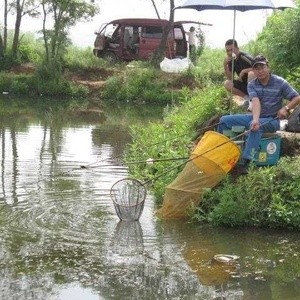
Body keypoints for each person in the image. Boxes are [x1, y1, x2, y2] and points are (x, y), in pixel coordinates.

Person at [218, 55, 300, 173]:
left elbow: (297, 97)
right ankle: (225, 154)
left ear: (268, 67)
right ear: (253, 71)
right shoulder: (252, 84)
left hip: (273, 120)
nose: (260, 71)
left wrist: (286, 108)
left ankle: (247, 162)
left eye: (262, 67)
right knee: (224, 120)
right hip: (256, 116)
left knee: (255, 126)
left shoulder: (280, 82)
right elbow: (255, 102)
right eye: (256, 68)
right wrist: (256, 119)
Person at [223, 39, 255, 109]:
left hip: (257, 85)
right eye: (227, 50)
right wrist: (225, 65)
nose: (230, 52)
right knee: (227, 83)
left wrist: (244, 71)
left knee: (251, 73)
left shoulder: (245, 57)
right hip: (245, 85)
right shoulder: (231, 61)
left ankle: (253, 100)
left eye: (232, 50)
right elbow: (230, 78)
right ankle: (248, 99)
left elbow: (258, 68)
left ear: (237, 49)